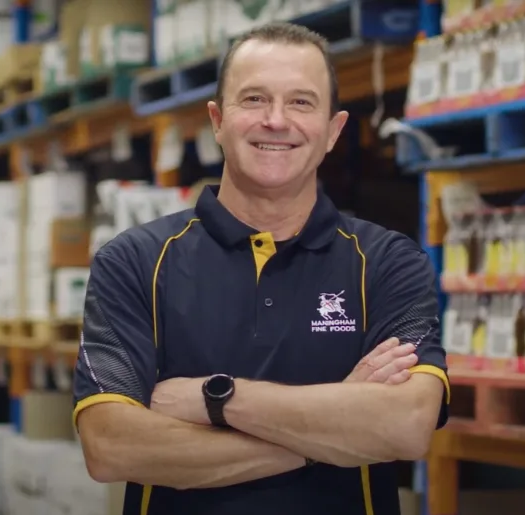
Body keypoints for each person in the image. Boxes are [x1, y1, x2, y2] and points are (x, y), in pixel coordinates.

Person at [72, 22, 450, 515]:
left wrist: (216, 399)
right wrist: (332, 431)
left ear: (333, 131)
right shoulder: (133, 262)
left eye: (301, 102)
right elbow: (110, 447)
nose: (276, 120)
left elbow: (407, 426)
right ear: (217, 120)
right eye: (253, 99)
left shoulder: (389, 264)